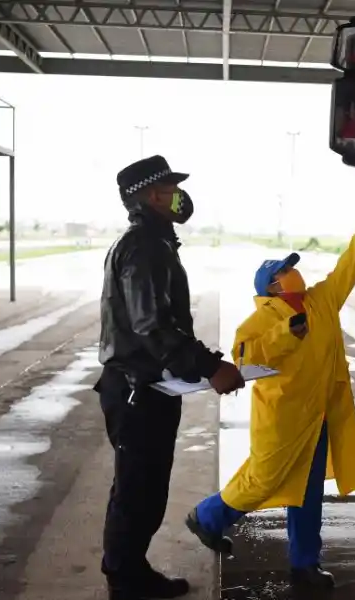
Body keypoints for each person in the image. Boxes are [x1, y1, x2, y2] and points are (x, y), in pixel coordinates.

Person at [184, 196, 355, 589]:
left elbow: (350, 265)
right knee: (263, 480)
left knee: (308, 493)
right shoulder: (260, 319)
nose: (294, 274)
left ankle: (305, 564)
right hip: (282, 418)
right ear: (272, 287)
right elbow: (243, 357)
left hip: (319, 415)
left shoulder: (321, 300)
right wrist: (284, 334)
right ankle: (206, 516)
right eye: (284, 272)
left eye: (292, 268)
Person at [95, 154, 246, 600]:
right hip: (136, 391)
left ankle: (131, 571)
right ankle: (125, 581)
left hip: (147, 387)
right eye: (171, 188)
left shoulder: (152, 242)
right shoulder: (144, 246)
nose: (179, 195)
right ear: (151, 195)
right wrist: (209, 367)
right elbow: (152, 325)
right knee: (136, 491)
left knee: (144, 490)